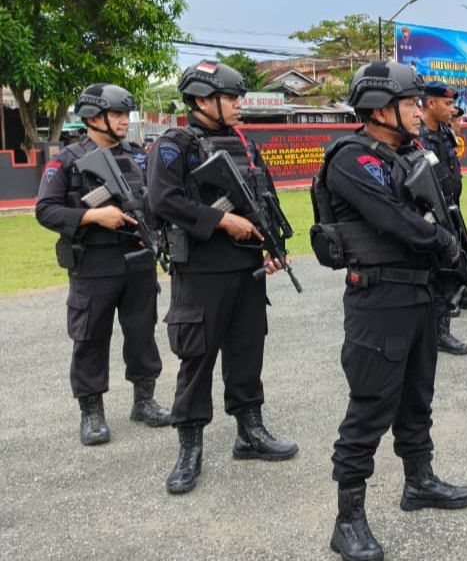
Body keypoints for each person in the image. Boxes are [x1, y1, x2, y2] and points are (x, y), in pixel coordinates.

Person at [318, 62, 467, 561]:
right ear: (381, 109)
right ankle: (348, 520)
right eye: (409, 104)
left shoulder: (412, 152)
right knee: (369, 405)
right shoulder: (351, 158)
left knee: (417, 395)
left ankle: (419, 480)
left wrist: (451, 254)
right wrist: (444, 243)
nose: (417, 111)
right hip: (378, 299)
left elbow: (439, 208)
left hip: (418, 294)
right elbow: (394, 219)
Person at [148, 61, 297, 495]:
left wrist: (275, 249)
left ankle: (250, 431)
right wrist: (219, 222)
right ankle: (189, 447)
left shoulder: (244, 144)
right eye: (230, 98)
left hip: (247, 269)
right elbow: (161, 199)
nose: (238, 105)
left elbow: (263, 198)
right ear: (200, 100)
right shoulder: (174, 145)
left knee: (247, 351)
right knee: (197, 358)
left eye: (237, 98)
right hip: (202, 271)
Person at [36, 84, 171, 446]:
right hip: (95, 264)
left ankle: (144, 400)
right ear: (94, 118)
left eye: (127, 115)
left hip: (139, 260)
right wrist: (93, 216)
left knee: (142, 332)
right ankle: (92, 412)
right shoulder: (66, 160)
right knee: (91, 336)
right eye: (118, 115)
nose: (126, 121)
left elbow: (157, 201)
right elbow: (45, 210)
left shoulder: (140, 156)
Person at [419, 84, 467, 356]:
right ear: (430, 104)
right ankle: (440, 332)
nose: (452, 110)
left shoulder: (444, 131)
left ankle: (441, 324)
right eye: (446, 104)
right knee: (438, 270)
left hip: (451, 208)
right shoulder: (417, 136)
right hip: (432, 213)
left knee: (455, 261)